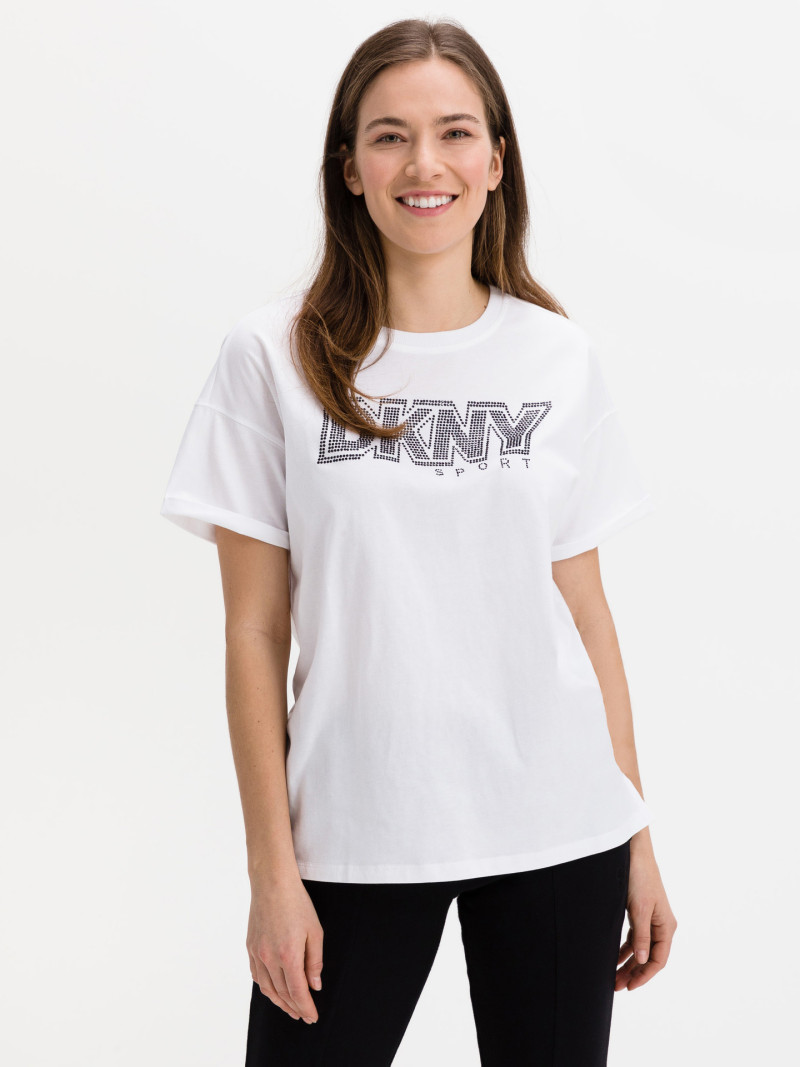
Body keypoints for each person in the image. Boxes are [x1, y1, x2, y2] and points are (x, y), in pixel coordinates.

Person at [159, 16, 677, 1066]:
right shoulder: (273, 355)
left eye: (454, 132)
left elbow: (583, 612)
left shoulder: (557, 356)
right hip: (353, 830)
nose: (424, 163)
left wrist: (636, 833)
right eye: (389, 136)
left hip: (558, 823)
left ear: (496, 161)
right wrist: (271, 871)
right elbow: (253, 631)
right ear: (349, 168)